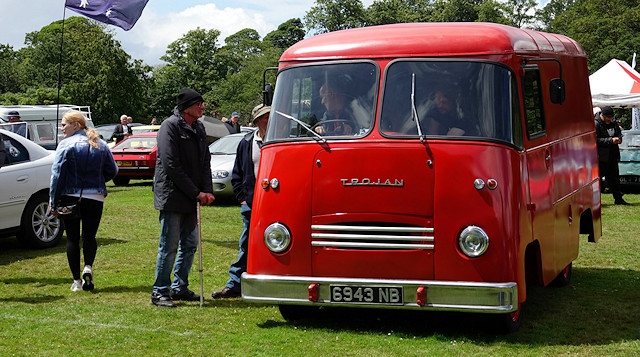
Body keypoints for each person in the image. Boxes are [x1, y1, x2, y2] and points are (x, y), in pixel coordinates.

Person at [151, 88, 215, 308]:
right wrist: (195, 192)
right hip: (172, 196)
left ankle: (180, 287)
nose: (202, 107)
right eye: (199, 104)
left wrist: (207, 190)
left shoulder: (198, 127)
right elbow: (171, 165)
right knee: (169, 245)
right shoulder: (170, 126)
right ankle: (160, 291)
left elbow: (205, 160)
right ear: (187, 106)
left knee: (190, 244)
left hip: (191, 196)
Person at [49, 111, 118, 292]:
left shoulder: (65, 145)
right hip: (95, 197)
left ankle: (76, 281)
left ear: (76, 125)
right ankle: (88, 266)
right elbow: (113, 170)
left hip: (69, 197)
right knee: (90, 236)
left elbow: (57, 176)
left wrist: (52, 201)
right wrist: (98, 182)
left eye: (64, 124)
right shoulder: (101, 144)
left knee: (72, 239)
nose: (61, 128)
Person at [211, 104, 270, 299]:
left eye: (271, 116)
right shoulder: (246, 142)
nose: (268, 120)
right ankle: (234, 284)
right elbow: (237, 174)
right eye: (264, 117)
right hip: (252, 203)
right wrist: (243, 199)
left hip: (276, 201)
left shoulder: (279, 140)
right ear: (256, 122)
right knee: (246, 244)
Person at [595, 106, 628, 205]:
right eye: (608, 117)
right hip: (601, 157)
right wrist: (610, 140)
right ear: (602, 116)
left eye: (611, 117)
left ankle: (618, 199)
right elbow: (595, 140)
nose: (610, 119)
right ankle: (597, 202)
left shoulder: (613, 124)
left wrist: (619, 139)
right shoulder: (596, 124)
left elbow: (619, 133)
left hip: (612, 155)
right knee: (598, 181)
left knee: (615, 179)